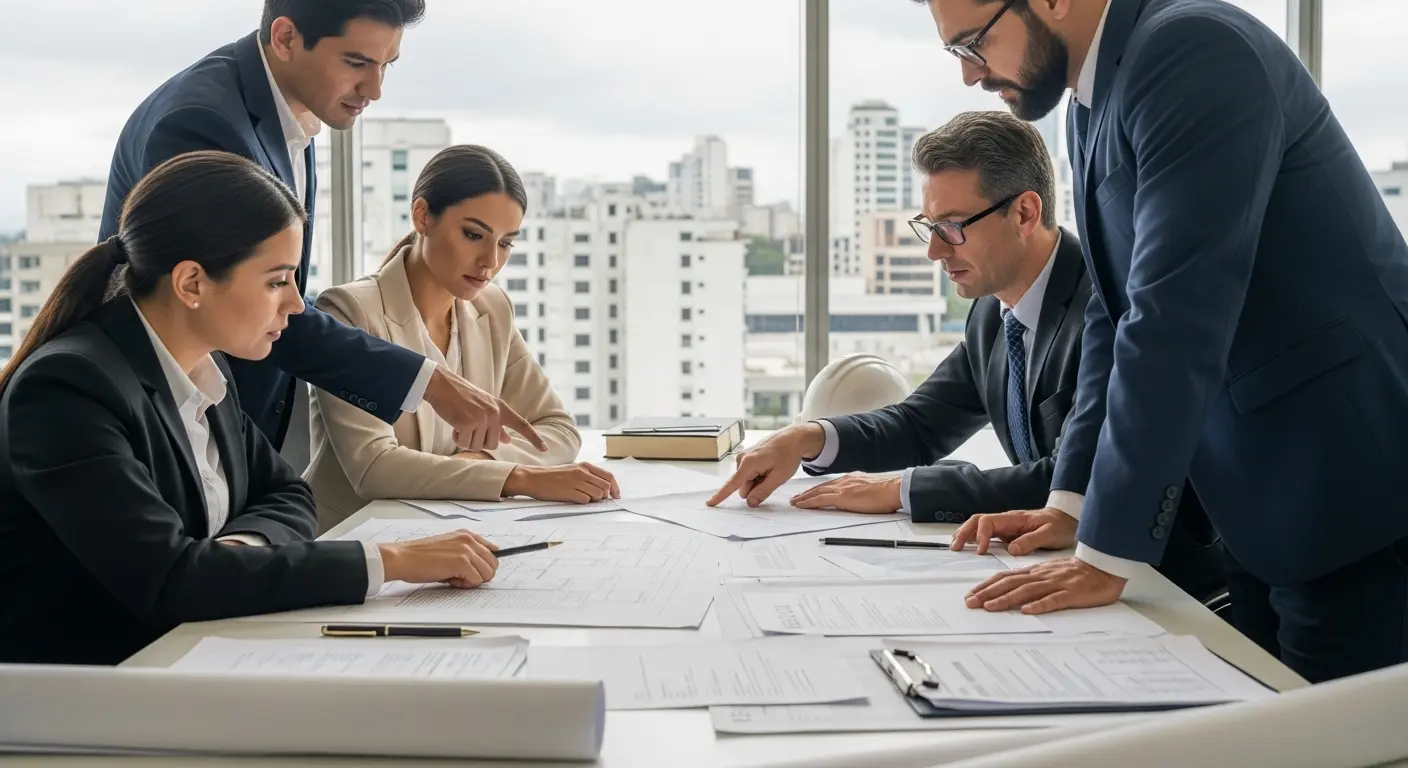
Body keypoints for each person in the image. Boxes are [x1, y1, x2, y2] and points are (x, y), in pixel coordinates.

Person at [922, 0, 1408, 682]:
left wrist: (1108, 552)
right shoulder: (1089, 107)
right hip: (1259, 501)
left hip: (1348, 487)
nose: (971, 75)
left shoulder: (1192, 50)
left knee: (1347, 742)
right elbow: (1113, 318)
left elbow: (1173, 315)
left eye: (974, 42)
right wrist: (1073, 505)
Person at [0, 151, 504, 666]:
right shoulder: (67, 388)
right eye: (276, 280)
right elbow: (169, 581)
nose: (294, 305)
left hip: (195, 657)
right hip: (87, 692)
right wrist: (391, 561)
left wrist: (237, 550)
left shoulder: (207, 371)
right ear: (191, 283)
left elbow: (288, 494)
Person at [710, 111, 1222, 601]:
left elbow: (1072, 474)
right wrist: (807, 438)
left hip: (1158, 581)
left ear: (1025, 212)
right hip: (1063, 563)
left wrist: (903, 489)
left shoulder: (1104, 304)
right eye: (929, 226)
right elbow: (921, 424)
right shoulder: (990, 313)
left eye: (952, 227)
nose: (935, 251)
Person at [98, 0, 546, 457]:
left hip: (233, 427)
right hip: (163, 424)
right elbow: (243, 297)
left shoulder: (292, 113)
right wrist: (426, 380)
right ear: (286, 38)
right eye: (357, 63)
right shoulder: (203, 123)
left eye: (386, 66)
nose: (374, 89)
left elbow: (276, 294)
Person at [305, 145, 619, 530]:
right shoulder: (351, 309)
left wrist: (481, 462)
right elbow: (373, 468)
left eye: (505, 243)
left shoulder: (492, 308)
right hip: (354, 540)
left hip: (452, 532)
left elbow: (556, 429)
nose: (490, 261)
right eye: (474, 235)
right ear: (422, 216)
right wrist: (517, 477)